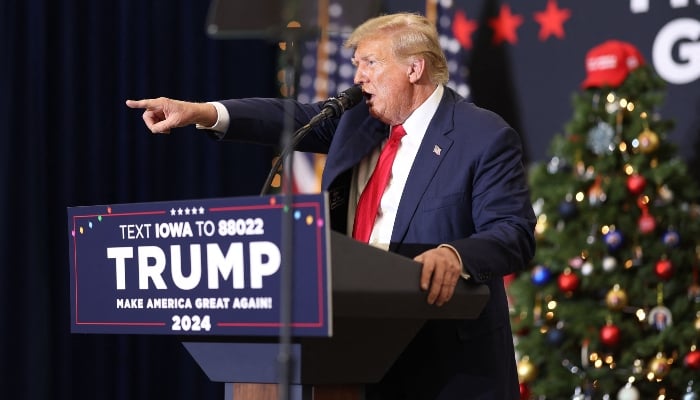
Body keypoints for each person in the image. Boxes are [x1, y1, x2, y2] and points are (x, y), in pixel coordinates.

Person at [127, 12, 535, 400]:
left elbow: (513, 231)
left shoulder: (482, 135)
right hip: (355, 353)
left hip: (445, 364)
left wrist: (454, 254)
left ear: (415, 69)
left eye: (370, 63)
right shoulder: (360, 123)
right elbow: (286, 117)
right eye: (357, 64)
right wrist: (203, 113)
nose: (358, 78)